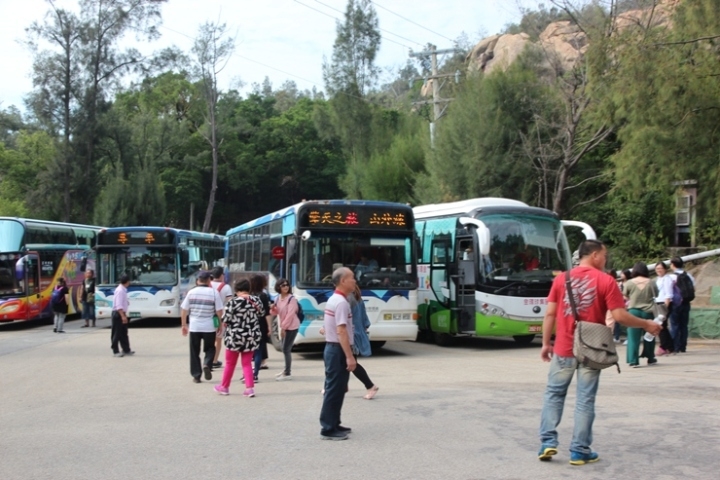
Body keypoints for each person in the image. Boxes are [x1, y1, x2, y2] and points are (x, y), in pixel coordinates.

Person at [537, 239, 661, 465]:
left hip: (564, 348)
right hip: (591, 350)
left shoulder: (561, 279)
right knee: (585, 399)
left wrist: (546, 343)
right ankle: (579, 450)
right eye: (604, 256)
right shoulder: (605, 281)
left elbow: (550, 315)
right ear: (594, 255)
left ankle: (547, 443)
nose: (606, 260)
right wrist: (647, 325)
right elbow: (621, 316)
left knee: (554, 394)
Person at [319, 267, 357, 441]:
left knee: (339, 388)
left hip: (333, 348)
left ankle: (334, 423)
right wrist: (349, 356)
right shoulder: (341, 302)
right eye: (352, 278)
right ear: (343, 281)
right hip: (337, 349)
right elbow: (341, 330)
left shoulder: (335, 299)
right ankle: (328, 428)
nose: (355, 281)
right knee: (334, 389)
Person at [214, 279, 263, 397]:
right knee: (246, 363)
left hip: (235, 337)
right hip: (251, 336)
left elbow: (225, 319)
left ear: (236, 290)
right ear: (249, 289)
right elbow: (261, 314)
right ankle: (249, 389)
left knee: (230, 363)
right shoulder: (256, 300)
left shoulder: (233, 302)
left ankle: (224, 387)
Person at [181, 271, 224, 383]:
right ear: (209, 281)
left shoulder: (191, 292)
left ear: (198, 280)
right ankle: (207, 364)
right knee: (210, 348)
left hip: (194, 327)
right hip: (209, 327)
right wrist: (219, 324)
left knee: (194, 351)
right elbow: (219, 311)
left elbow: (184, 310)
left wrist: (183, 325)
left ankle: (196, 375)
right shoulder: (214, 293)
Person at [623, 262, 659, 368]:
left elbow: (625, 296)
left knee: (633, 337)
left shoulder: (629, 282)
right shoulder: (652, 282)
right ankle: (650, 357)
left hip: (634, 312)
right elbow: (656, 295)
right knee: (649, 336)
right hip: (648, 312)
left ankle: (634, 360)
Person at [347, 284, 379, 400]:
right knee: (345, 362)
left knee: (351, 363)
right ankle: (340, 386)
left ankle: (370, 386)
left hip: (351, 335)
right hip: (357, 334)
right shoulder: (358, 299)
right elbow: (366, 321)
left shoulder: (348, 299)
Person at [271, 278, 300, 381]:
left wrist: (283, 327)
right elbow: (277, 313)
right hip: (284, 326)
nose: (286, 287)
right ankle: (286, 370)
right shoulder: (277, 298)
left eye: (287, 285)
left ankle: (287, 373)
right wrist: (273, 309)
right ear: (278, 287)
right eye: (283, 285)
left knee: (286, 349)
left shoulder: (291, 299)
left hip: (292, 326)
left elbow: (290, 314)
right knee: (284, 348)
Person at [669, 257, 694, 354]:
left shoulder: (671, 277)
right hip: (686, 303)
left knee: (674, 325)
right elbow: (693, 289)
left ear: (672, 265)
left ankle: (675, 347)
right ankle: (683, 347)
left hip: (675, 304)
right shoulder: (688, 275)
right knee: (684, 325)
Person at [210, 267, 233, 370]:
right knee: (218, 340)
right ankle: (214, 360)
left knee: (209, 339)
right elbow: (230, 302)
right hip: (220, 316)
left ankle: (208, 359)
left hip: (208, 315)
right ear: (221, 275)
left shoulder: (207, 285)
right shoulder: (226, 287)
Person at [250, 274, 272, 381]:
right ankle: (255, 374)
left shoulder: (248, 295)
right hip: (260, 323)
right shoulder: (263, 296)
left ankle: (247, 373)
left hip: (248, 324)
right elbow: (267, 313)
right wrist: (269, 327)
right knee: (259, 350)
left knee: (248, 351)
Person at [654, 261, 675, 356]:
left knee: (661, 326)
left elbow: (668, 295)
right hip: (657, 304)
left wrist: (665, 309)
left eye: (660, 268)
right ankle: (670, 346)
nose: (659, 270)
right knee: (663, 327)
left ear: (665, 269)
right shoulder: (657, 279)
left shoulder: (667, 279)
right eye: (657, 269)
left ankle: (663, 346)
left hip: (664, 304)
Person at [111, 274, 134, 357]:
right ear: (127, 282)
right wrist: (123, 316)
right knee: (116, 333)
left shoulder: (123, 290)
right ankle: (115, 350)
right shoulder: (120, 290)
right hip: (118, 314)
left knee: (123, 332)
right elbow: (118, 305)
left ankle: (126, 349)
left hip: (121, 313)